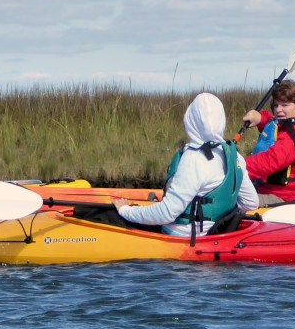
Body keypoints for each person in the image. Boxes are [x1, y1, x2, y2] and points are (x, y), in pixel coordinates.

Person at [93, 92, 259, 237]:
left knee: (104, 216)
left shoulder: (194, 159)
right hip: (218, 232)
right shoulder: (234, 156)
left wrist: (125, 211)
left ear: (191, 121)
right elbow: (251, 203)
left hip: (184, 235)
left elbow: (167, 213)